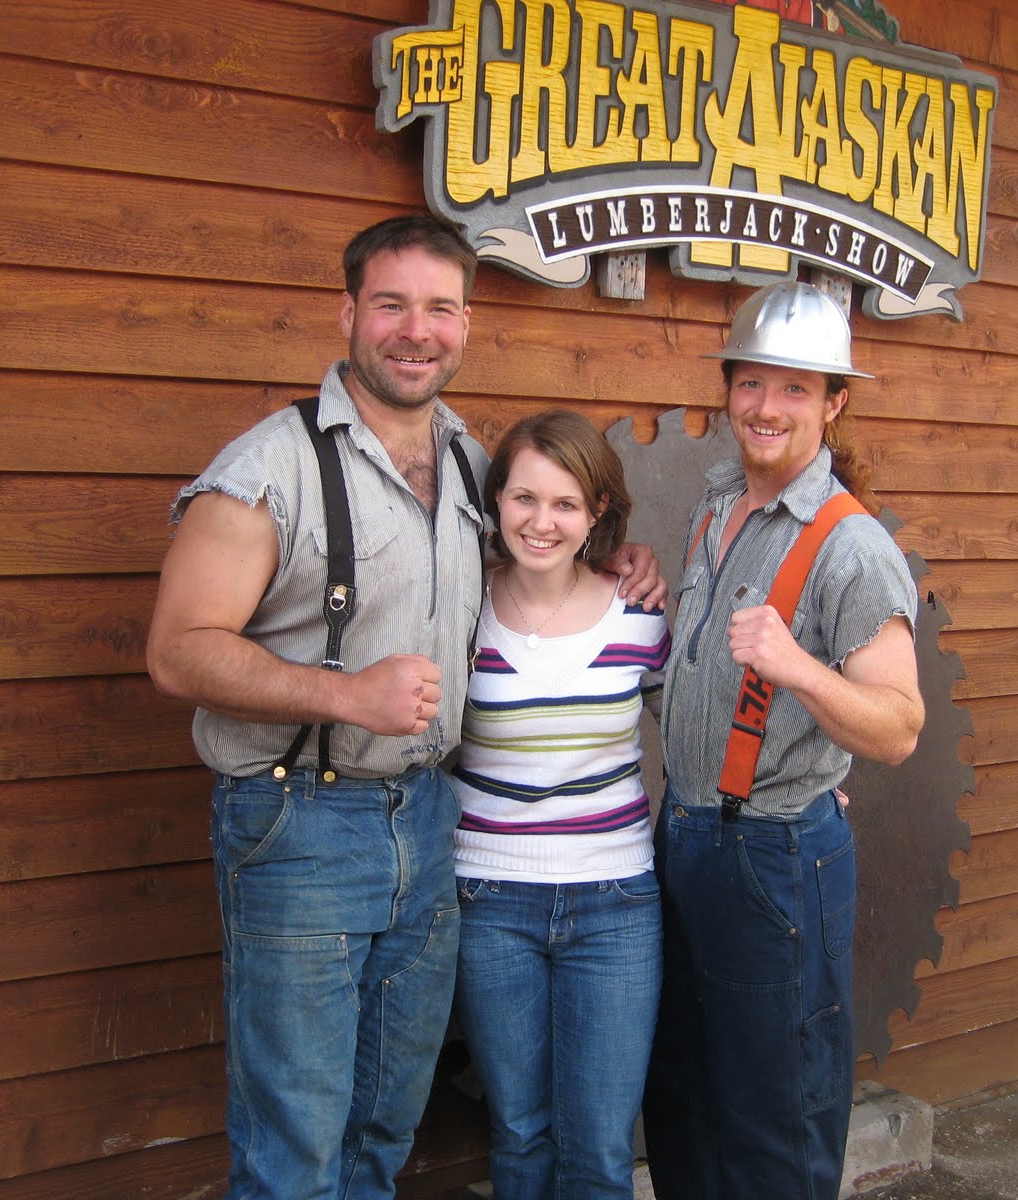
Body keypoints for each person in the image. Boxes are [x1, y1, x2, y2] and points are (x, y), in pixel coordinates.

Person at [145, 213, 663, 1200]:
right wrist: (344, 693)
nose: (414, 330)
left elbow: (552, 558)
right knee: (296, 1140)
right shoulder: (271, 467)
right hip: (301, 821)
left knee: (385, 1123)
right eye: (390, 305)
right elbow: (177, 650)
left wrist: (625, 563)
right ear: (348, 313)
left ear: (466, 325)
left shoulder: (474, 465)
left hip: (432, 828)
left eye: (438, 308)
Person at [642, 281, 924, 1200]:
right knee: (681, 1098)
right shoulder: (717, 507)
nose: (767, 408)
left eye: (796, 389)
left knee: (775, 1119)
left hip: (770, 858)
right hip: (684, 838)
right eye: (753, 384)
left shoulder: (853, 548)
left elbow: (899, 728)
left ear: (834, 403)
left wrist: (800, 668)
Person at [449, 410, 670, 1199]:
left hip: (614, 902)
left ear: (597, 514)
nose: (542, 522)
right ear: (496, 503)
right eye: (524, 499)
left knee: (601, 1149)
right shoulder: (456, 609)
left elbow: (700, 725)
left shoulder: (641, 615)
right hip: (487, 899)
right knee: (517, 1133)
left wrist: (801, 778)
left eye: (566, 504)